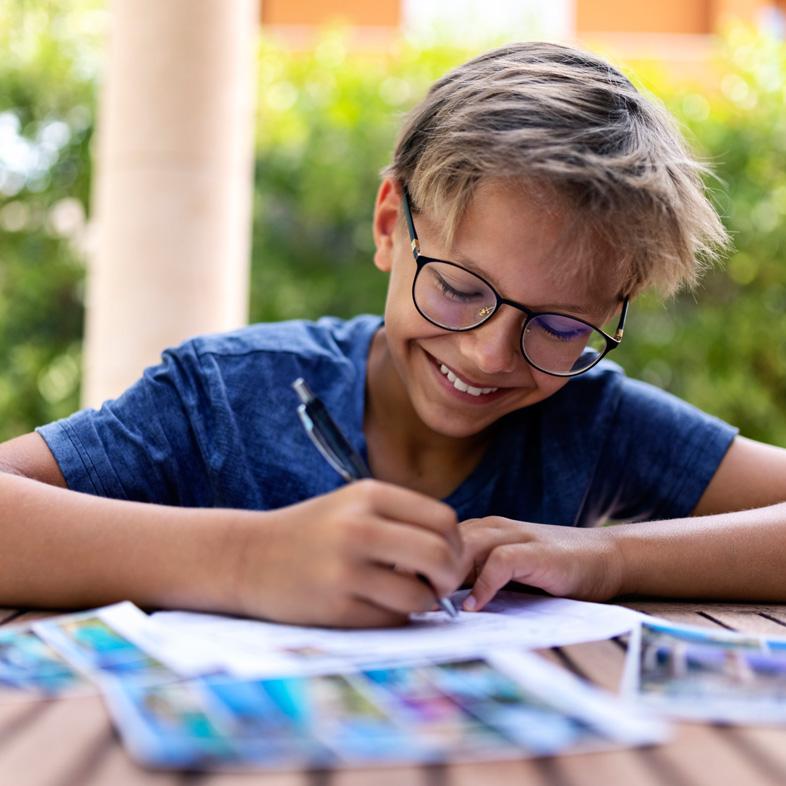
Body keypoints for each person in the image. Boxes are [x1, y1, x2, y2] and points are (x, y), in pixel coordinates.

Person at [1, 42, 785, 629]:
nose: (488, 354)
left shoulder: (591, 422)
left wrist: (611, 558)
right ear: (389, 225)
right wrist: (245, 560)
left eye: (558, 326)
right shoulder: (223, 400)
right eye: (457, 288)